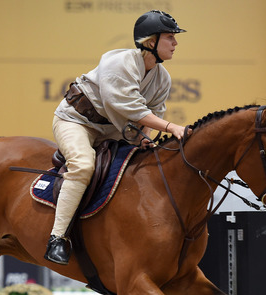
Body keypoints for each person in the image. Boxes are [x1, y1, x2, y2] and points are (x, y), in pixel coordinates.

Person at [45, 10, 189, 265]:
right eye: (170, 37)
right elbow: (131, 108)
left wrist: (145, 137)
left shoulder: (162, 78)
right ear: (150, 41)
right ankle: (57, 238)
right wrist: (170, 127)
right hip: (76, 121)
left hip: (113, 131)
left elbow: (154, 112)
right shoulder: (119, 62)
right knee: (83, 166)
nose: (176, 43)